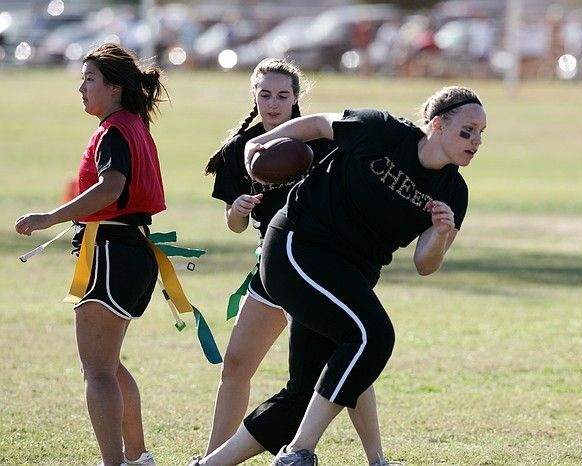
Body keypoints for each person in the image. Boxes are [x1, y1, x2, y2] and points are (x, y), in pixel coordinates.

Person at [244, 85, 486, 465]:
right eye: (467, 131)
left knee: (314, 385)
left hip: (346, 273)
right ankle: (298, 452)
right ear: (437, 124)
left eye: (481, 134)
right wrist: (259, 144)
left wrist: (440, 234)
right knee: (372, 336)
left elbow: (425, 264)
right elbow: (321, 125)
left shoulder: (454, 191)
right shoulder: (382, 129)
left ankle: (212, 463)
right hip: (298, 245)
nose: (476, 141)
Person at [197, 58, 392, 466]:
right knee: (236, 364)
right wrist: (237, 208)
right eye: (265, 95)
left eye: (283, 95)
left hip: (318, 269)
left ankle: (376, 458)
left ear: (296, 99)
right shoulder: (241, 148)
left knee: (349, 357)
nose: (273, 103)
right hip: (272, 270)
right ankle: (213, 457)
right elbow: (234, 225)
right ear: (254, 96)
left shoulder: (320, 141)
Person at [14, 43, 168, 466]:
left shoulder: (115, 129)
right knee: (110, 366)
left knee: (97, 371)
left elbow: (110, 188)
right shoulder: (133, 122)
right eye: (82, 79)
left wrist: (50, 216)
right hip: (132, 250)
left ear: (115, 87)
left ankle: (115, 462)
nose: (81, 88)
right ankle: (137, 458)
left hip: (111, 250)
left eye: (90, 79)